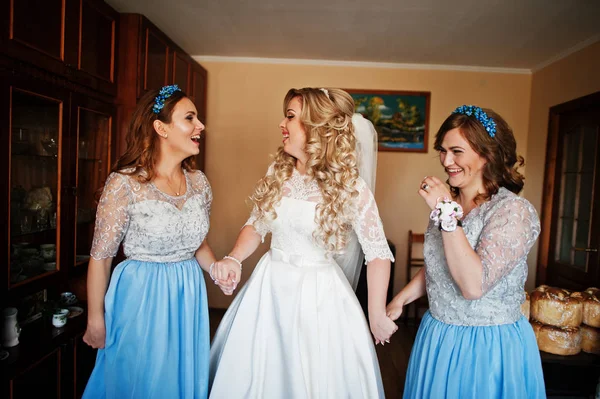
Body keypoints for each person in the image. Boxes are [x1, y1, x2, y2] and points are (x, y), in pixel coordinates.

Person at [208, 88, 397, 398]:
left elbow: (377, 253)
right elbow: (257, 224)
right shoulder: (277, 173)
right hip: (269, 288)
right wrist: (233, 258)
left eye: (291, 117)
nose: (282, 123)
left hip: (319, 295)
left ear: (316, 127)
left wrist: (376, 313)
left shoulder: (349, 185)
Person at [82, 84, 232, 398]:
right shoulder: (124, 184)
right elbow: (101, 257)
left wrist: (216, 267)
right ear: (160, 128)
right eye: (190, 118)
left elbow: (197, 244)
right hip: (140, 294)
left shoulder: (199, 183)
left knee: (178, 377)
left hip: (187, 291)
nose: (200, 126)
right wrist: (96, 318)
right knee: (138, 376)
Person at [386, 105, 546, 398]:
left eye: (457, 151)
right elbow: (441, 264)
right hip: (437, 336)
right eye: (442, 151)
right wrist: (399, 300)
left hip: (487, 346)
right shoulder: (450, 203)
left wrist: (446, 212)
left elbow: (473, 285)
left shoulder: (513, 211)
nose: (447, 161)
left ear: (488, 154)